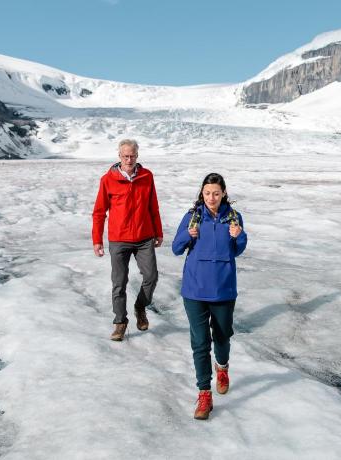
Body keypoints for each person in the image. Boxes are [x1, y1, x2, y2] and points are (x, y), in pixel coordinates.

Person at [172, 173, 247, 420]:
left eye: (216, 193)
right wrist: (188, 235)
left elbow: (237, 250)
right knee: (200, 342)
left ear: (224, 193)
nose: (211, 198)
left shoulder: (234, 218)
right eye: (207, 193)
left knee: (223, 335)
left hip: (223, 288)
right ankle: (204, 392)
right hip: (194, 289)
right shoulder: (192, 217)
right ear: (201, 194)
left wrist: (240, 236)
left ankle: (222, 367)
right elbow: (175, 248)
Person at [92, 139, 163, 341]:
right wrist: (97, 240)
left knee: (151, 276)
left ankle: (140, 307)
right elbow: (99, 212)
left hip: (144, 237)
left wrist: (158, 233)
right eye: (125, 156)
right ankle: (120, 322)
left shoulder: (147, 176)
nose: (129, 159)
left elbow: (153, 207)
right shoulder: (108, 179)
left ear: (137, 156)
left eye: (132, 155)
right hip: (119, 239)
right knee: (119, 283)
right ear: (119, 156)